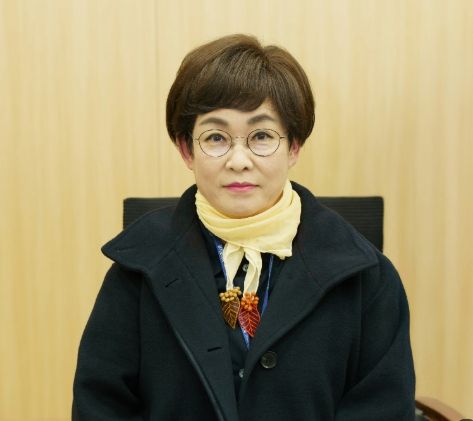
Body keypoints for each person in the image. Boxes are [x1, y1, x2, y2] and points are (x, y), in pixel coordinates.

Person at [73, 34, 415, 420]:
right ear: (186, 149)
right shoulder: (136, 272)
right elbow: (100, 406)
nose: (239, 160)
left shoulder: (367, 276)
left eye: (262, 136)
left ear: (294, 146)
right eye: (216, 137)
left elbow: (384, 409)